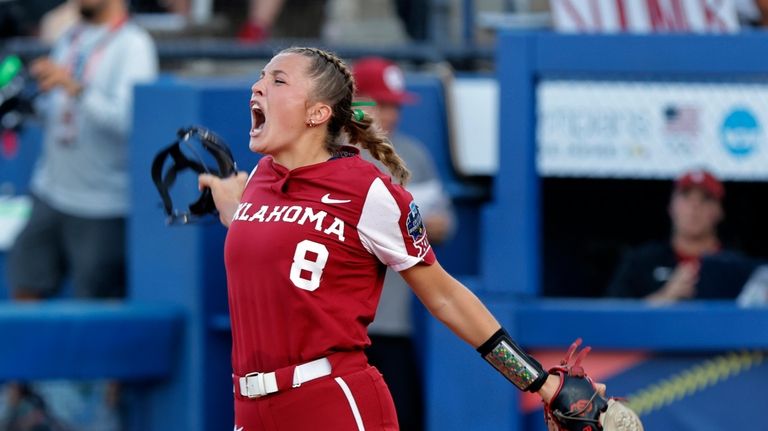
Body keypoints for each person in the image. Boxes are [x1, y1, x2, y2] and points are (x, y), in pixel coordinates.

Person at [198, 46, 597, 430]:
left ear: (318, 112)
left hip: (328, 400)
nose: (258, 86)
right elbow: (273, 233)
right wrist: (230, 201)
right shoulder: (261, 180)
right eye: (261, 77)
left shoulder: (366, 189)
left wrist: (540, 383)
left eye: (278, 80)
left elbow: (444, 296)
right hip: (250, 407)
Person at [3, 0, 157, 428]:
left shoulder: (134, 44)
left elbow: (131, 119)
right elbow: (59, 112)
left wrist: (75, 88)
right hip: (50, 189)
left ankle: (96, 415)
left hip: (104, 202)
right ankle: (20, 394)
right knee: (25, 285)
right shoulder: (69, 36)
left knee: (99, 313)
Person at [352, 56, 454, 430]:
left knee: (402, 417)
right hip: (339, 326)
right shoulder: (331, 155)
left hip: (393, 321)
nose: (389, 114)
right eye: (379, 103)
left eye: (394, 105)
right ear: (355, 101)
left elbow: (443, 223)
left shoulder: (411, 155)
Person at [606, 169, 746, 301]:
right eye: (686, 196)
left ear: (719, 211)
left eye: (705, 198)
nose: (694, 206)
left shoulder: (737, 267)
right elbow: (612, 318)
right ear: (671, 207)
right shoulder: (641, 262)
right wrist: (666, 296)